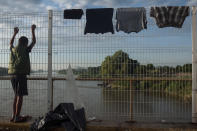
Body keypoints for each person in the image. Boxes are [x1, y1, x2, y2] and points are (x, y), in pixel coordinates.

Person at [8, 24, 36, 122]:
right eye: (27, 43)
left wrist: (14, 33)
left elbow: (10, 43)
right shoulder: (25, 49)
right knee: (20, 96)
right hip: (21, 74)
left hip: (12, 74)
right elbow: (34, 42)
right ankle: (17, 117)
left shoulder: (14, 49)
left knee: (16, 95)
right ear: (25, 43)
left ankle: (13, 115)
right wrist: (32, 30)